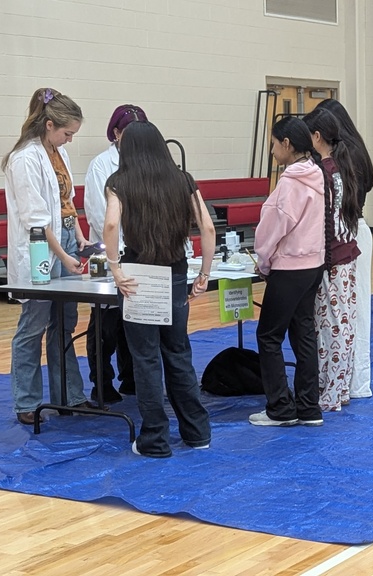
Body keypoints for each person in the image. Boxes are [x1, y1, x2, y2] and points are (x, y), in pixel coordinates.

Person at [104, 121, 214, 458]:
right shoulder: (183, 180)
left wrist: (115, 268)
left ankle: (155, 439)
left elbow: (111, 223)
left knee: (146, 358)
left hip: (138, 276)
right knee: (178, 353)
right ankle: (197, 432)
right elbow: (207, 227)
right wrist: (204, 274)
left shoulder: (119, 182)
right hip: (175, 273)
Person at [3, 87, 94, 425]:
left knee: (65, 322)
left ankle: (68, 396)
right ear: (50, 124)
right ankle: (26, 401)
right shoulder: (24, 158)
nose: (70, 140)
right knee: (35, 323)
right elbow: (37, 219)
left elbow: (66, 202)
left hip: (65, 236)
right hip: (41, 246)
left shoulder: (59, 152)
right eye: (67, 133)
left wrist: (79, 237)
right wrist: (62, 255)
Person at [250, 116, 326, 426]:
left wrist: (263, 261)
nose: (271, 151)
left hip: (290, 267)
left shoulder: (290, 182)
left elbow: (272, 228)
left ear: (286, 143)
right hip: (313, 265)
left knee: (268, 336)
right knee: (303, 333)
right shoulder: (317, 174)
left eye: (273, 144)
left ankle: (280, 408)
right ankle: (308, 407)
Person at [82, 104, 147, 403]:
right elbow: (100, 216)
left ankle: (131, 377)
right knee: (106, 325)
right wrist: (120, 253)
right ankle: (102, 382)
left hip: (140, 255)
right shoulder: (100, 165)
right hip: (110, 255)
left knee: (134, 321)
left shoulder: (146, 163)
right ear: (116, 133)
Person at [316, 99, 373, 400]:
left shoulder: (335, 161)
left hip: (345, 235)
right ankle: (355, 382)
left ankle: (345, 382)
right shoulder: (357, 150)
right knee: (354, 313)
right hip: (356, 231)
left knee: (343, 316)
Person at [304, 107, 361, 412]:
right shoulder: (340, 165)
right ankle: (338, 387)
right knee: (341, 322)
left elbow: (323, 219)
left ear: (316, 137)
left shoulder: (323, 171)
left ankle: (332, 391)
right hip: (345, 251)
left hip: (334, 256)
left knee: (332, 326)